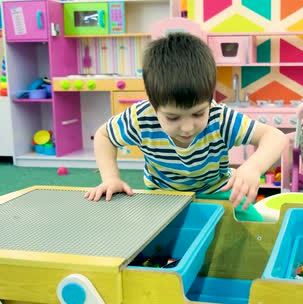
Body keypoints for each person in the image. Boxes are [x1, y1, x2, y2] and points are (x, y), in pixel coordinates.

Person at [84, 32, 288, 212]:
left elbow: (274, 136)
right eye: (173, 117)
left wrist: (252, 167)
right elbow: (104, 136)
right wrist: (111, 178)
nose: (188, 127)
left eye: (198, 114)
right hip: (162, 197)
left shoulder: (220, 117)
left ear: (209, 100)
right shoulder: (140, 117)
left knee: (256, 235)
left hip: (217, 192)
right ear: (154, 106)